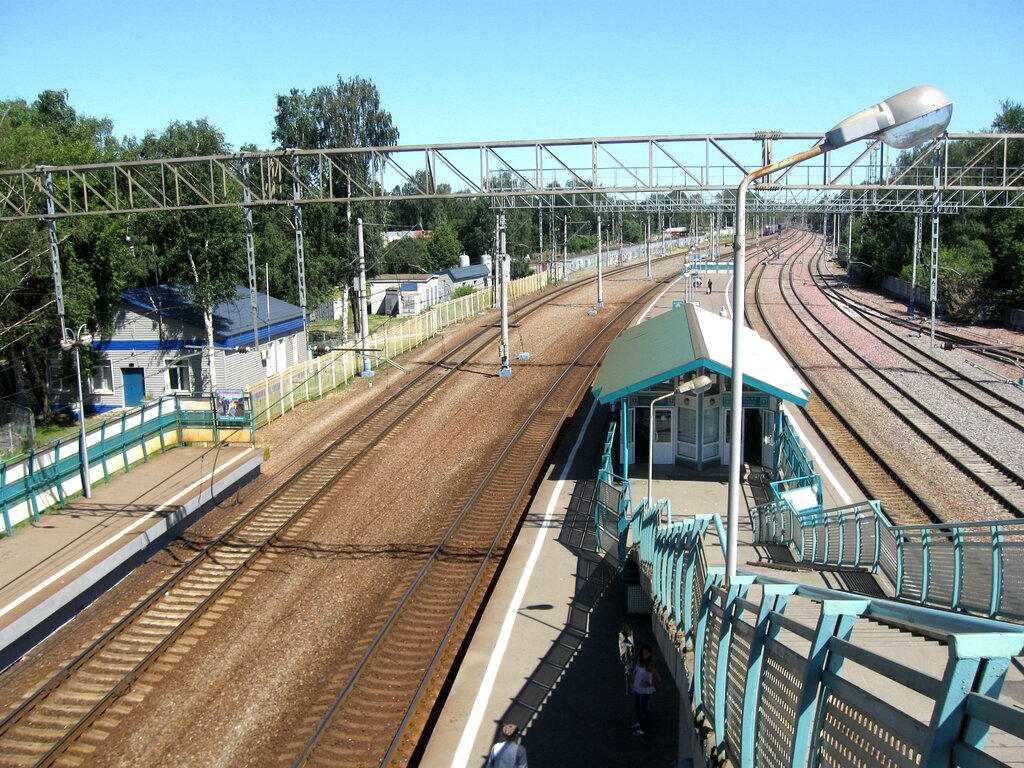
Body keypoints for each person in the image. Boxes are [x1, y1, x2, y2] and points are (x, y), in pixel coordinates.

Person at [632, 644, 661, 735]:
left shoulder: (650, 665)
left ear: (649, 654)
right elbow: (636, 672)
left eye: (646, 653)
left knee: (644, 709)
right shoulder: (638, 661)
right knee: (637, 707)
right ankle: (640, 723)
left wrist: (650, 684)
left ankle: (645, 728)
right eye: (643, 653)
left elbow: (659, 679)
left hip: (645, 691)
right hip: (637, 688)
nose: (644, 655)